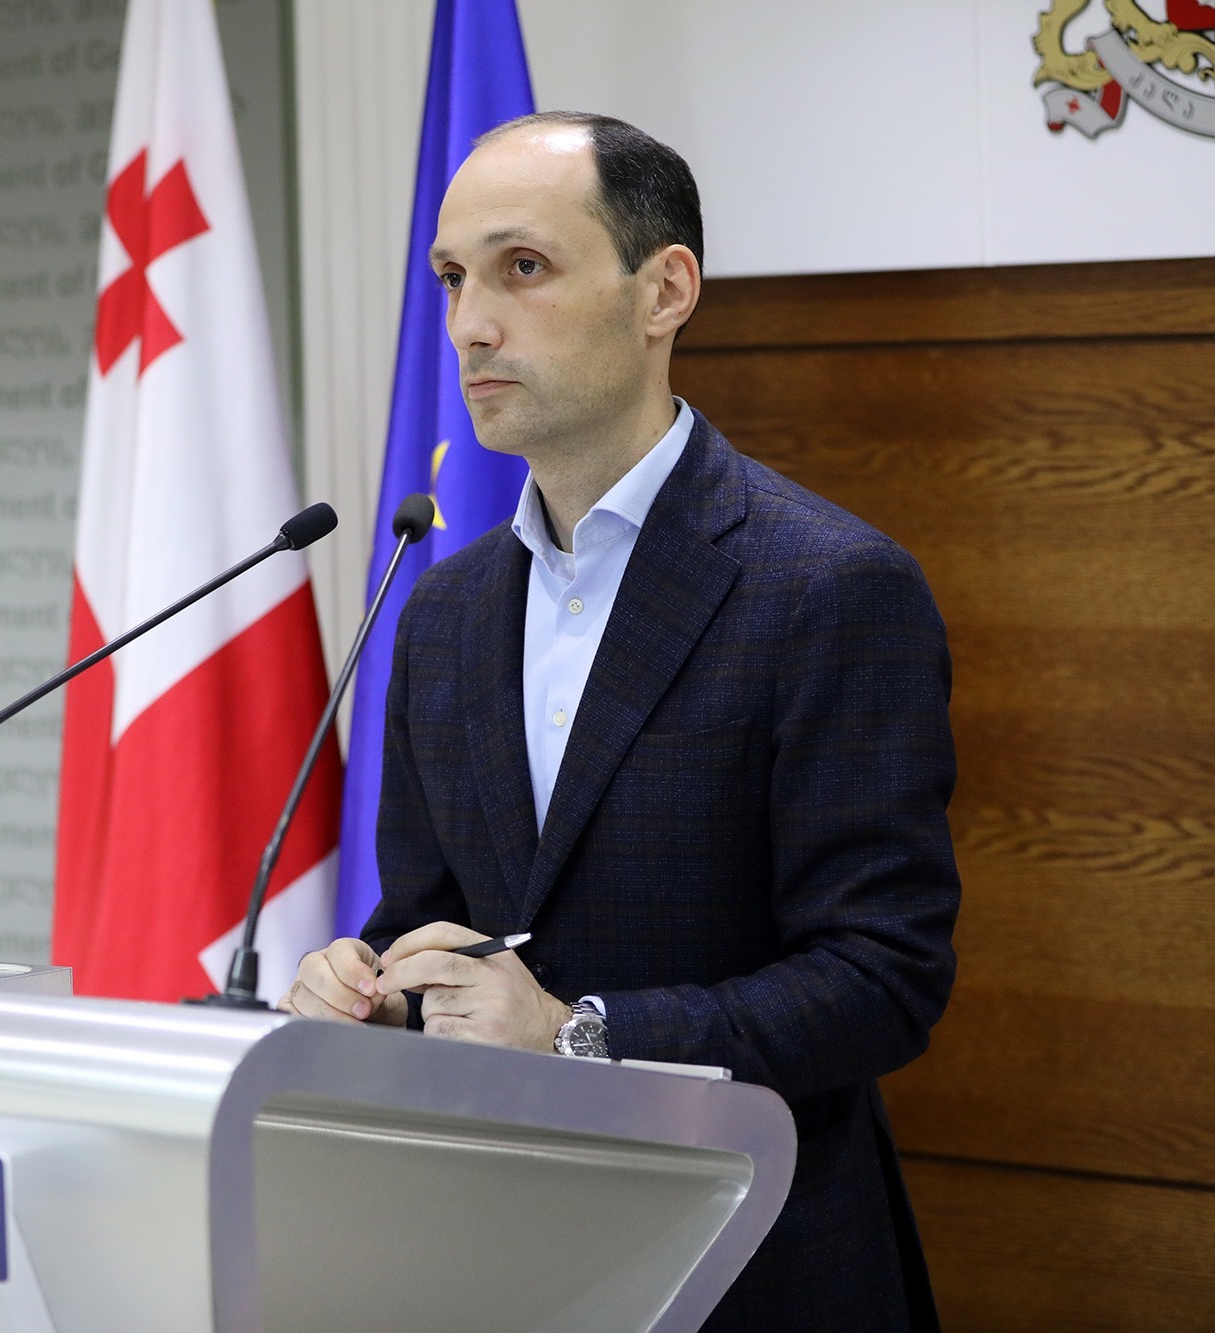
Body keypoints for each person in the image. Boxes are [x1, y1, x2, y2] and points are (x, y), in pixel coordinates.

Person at [281, 111, 959, 1332]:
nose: (468, 324)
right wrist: (375, 987)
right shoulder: (441, 609)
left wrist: (578, 1034)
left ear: (664, 291)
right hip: (497, 1258)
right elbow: (433, 920)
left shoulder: (825, 587)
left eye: (521, 267)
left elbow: (880, 976)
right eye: (451, 278)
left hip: (751, 1257)